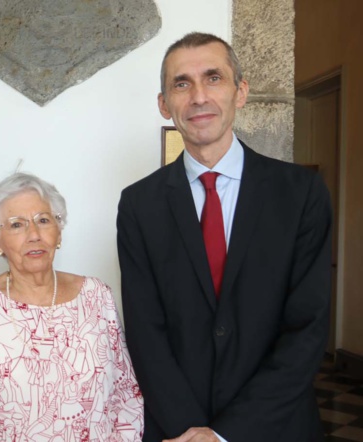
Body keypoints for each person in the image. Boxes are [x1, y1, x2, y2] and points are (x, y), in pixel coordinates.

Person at [117, 32, 332, 442]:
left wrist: (223, 434)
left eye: (213, 78)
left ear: (241, 92)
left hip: (277, 426)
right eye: (182, 83)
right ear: (164, 104)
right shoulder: (138, 205)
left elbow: (307, 330)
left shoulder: (300, 194)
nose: (198, 96)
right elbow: (146, 334)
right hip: (176, 430)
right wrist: (190, 431)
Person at [0, 173, 144, 441]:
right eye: (16, 225)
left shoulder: (96, 296)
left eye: (43, 220)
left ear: (59, 231)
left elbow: (126, 397)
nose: (34, 235)